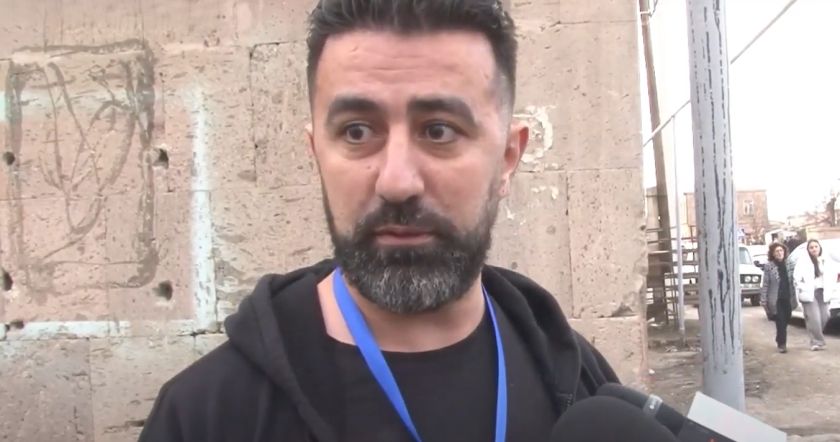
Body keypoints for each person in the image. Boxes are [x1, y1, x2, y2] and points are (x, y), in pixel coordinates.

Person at [138, 1, 620, 441]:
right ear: (316, 153)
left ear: (508, 158)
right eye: (357, 132)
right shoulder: (205, 418)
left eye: (439, 130)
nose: (396, 182)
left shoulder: (583, 390)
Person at [793, 239, 831, 351]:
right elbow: (796, 278)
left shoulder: (825, 260)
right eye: (811, 247)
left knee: (825, 316)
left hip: (822, 291)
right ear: (808, 250)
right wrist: (802, 287)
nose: (814, 249)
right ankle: (816, 342)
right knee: (814, 318)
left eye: (816, 247)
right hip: (809, 293)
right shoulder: (803, 261)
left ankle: (816, 336)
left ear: (820, 248)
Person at [760, 243, 797, 353]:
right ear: (773, 253)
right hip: (776, 299)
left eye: (781, 250)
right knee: (780, 321)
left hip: (788, 298)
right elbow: (766, 284)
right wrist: (763, 299)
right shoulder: (769, 266)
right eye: (777, 251)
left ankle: (779, 338)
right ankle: (782, 344)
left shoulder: (789, 264)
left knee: (786, 319)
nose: (780, 253)